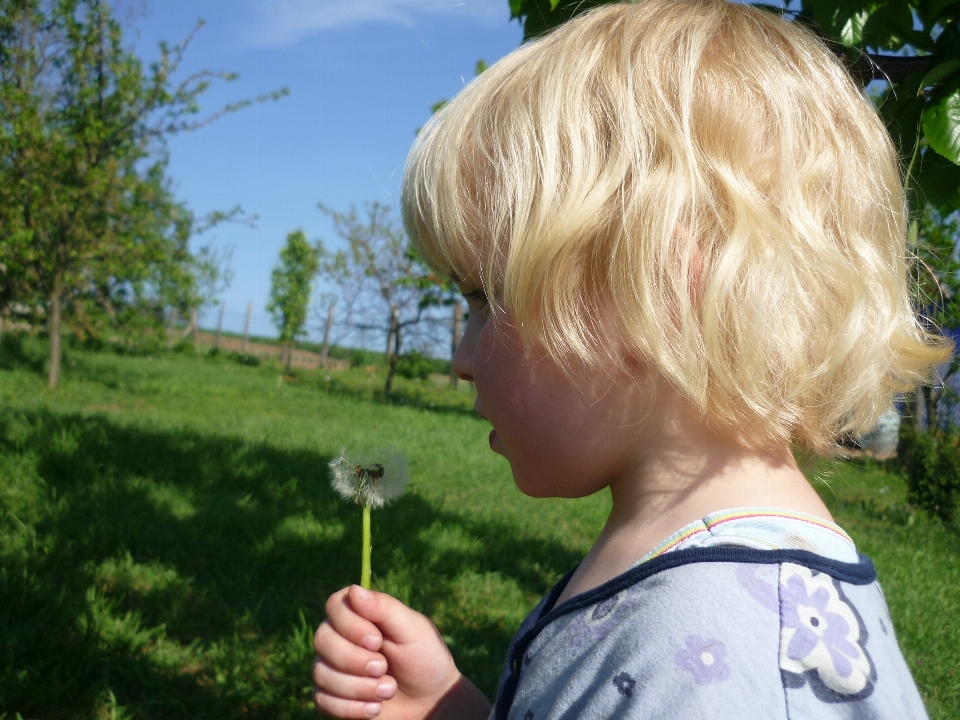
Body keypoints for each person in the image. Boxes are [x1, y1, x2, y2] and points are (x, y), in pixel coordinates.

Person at [312, 1, 950, 718]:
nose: (461, 357)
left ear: (661, 286)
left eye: (487, 295)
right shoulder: (698, 597)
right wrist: (446, 709)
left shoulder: (721, 660)